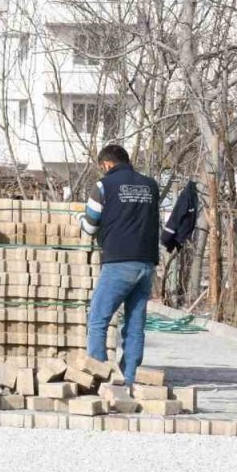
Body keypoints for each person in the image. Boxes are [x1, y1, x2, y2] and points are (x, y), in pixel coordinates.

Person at [79, 144, 161, 385]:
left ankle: (99, 378)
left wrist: (80, 220)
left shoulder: (104, 186)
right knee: (135, 324)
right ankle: (129, 379)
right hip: (146, 263)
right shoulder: (151, 185)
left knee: (98, 320)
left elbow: (91, 226)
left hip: (118, 262)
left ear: (106, 164)